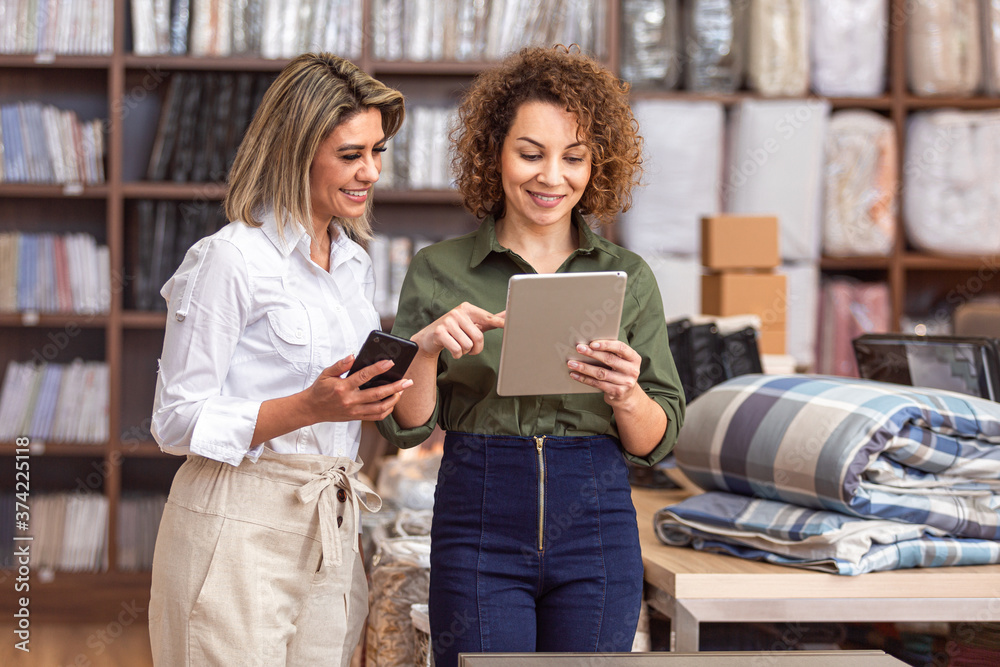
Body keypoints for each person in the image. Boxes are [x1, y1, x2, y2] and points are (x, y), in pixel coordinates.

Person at [377, 46, 685, 664]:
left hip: (596, 528)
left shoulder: (628, 276)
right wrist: (427, 353)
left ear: (597, 165)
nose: (551, 177)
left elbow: (659, 441)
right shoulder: (438, 270)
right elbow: (406, 428)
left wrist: (626, 393)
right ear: (495, 153)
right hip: (478, 524)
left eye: (573, 158)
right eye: (530, 154)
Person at [148, 53, 408, 666]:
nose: (370, 172)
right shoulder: (229, 259)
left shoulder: (353, 263)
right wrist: (305, 407)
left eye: (377, 153)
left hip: (331, 528)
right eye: (351, 155)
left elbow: (345, 403)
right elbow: (175, 421)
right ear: (295, 152)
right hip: (237, 526)